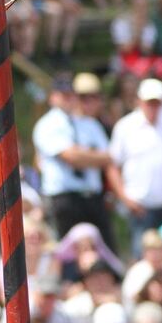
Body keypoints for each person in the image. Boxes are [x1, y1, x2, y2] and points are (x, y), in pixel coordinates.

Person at [107, 78, 162, 253]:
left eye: (157, 103)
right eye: (149, 102)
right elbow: (113, 165)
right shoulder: (125, 127)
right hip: (140, 205)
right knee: (141, 253)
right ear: (139, 101)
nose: (153, 107)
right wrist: (125, 198)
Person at [33, 74, 113, 248]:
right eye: (64, 95)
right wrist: (91, 156)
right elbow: (71, 157)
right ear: (53, 97)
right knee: (67, 252)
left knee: (104, 250)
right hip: (63, 198)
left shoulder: (88, 124)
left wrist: (83, 156)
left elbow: (109, 156)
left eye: (72, 94)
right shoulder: (47, 124)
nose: (69, 99)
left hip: (92, 198)